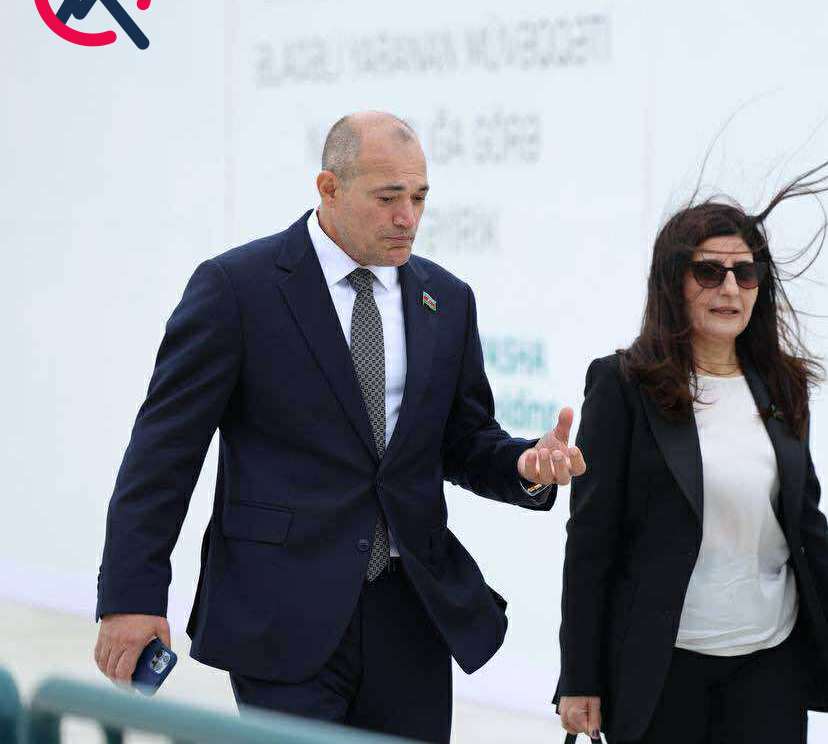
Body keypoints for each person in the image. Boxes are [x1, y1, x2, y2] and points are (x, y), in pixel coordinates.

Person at [93, 111, 585, 742]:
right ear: (329, 188)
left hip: (411, 613)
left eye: (419, 198)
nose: (408, 218)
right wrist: (131, 597)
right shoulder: (237, 289)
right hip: (281, 613)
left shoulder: (447, 299)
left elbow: (462, 441)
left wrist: (523, 465)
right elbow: (163, 455)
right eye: (388, 198)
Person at [556, 148, 828, 743]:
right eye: (709, 272)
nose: (731, 288)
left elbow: (807, 531)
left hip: (770, 665)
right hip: (663, 668)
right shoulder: (622, 385)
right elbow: (591, 541)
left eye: (746, 273)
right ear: (674, 281)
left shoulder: (783, 385)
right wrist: (580, 677)